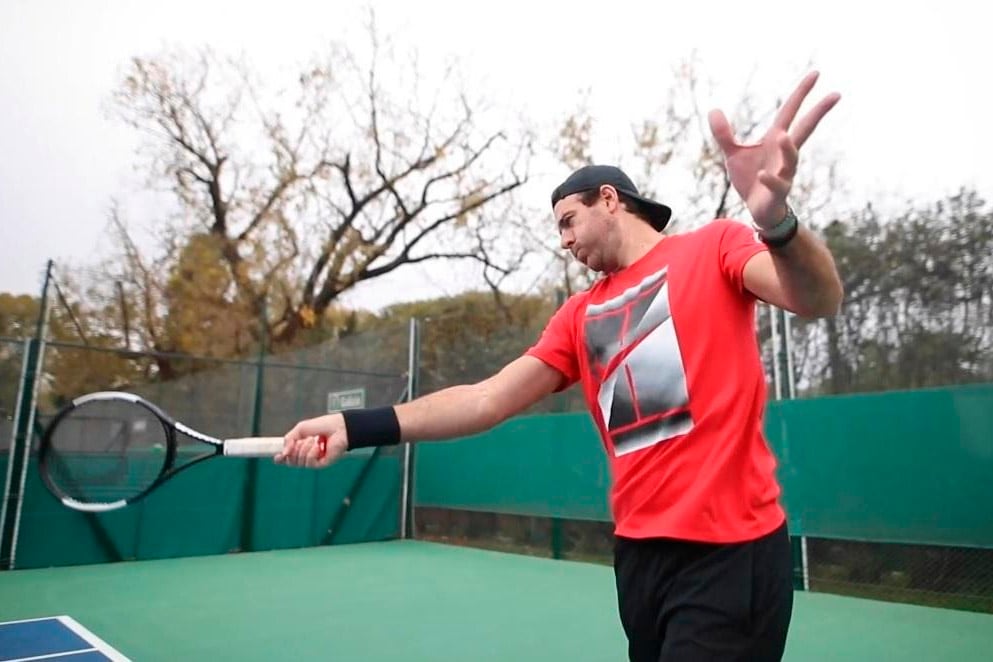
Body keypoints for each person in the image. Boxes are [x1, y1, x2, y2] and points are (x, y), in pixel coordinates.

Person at [275, 71, 843, 661]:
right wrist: (352, 427)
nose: (564, 242)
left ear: (609, 200)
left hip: (730, 551)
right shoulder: (578, 316)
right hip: (640, 557)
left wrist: (777, 223)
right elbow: (485, 399)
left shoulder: (715, 247)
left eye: (568, 221)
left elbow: (817, 299)